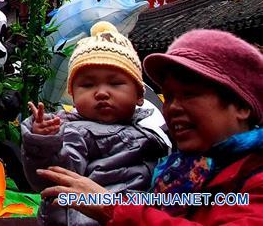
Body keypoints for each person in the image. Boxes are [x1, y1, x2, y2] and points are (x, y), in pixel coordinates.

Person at [39, 28, 263, 225]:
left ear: (241, 106)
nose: (173, 107)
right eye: (170, 96)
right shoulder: (174, 170)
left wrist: (110, 207)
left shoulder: (254, 178)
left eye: (190, 94)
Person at [22, 22, 169, 225]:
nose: (101, 92)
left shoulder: (149, 129)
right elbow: (54, 175)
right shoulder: (73, 131)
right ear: (73, 97)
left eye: (115, 83)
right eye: (88, 85)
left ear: (139, 95)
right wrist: (44, 141)